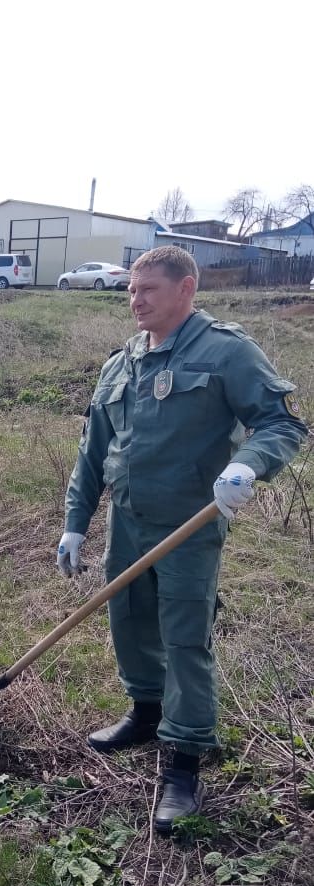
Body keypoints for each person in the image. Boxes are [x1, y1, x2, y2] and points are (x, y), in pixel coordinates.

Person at [57, 246, 307, 834]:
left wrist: (249, 466)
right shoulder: (121, 363)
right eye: (131, 291)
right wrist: (76, 520)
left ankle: (184, 760)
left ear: (186, 289)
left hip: (189, 524)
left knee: (185, 637)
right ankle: (146, 713)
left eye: (148, 289)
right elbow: (95, 450)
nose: (136, 300)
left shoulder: (226, 351)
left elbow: (281, 422)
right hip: (130, 521)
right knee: (130, 620)